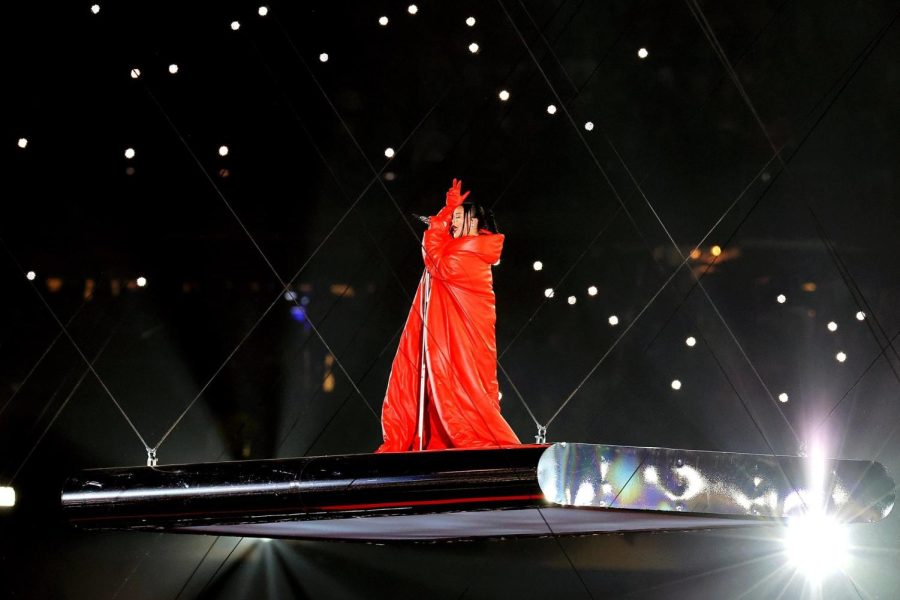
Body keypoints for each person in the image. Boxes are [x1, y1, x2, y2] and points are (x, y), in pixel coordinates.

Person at [376, 179, 521, 452]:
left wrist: (438, 223)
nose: (452, 223)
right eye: (451, 217)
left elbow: (436, 259)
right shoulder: (470, 250)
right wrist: (444, 218)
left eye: (457, 217)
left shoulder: (468, 253)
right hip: (460, 335)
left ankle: (469, 441)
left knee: (462, 387)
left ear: (474, 220)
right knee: (441, 386)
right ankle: (440, 441)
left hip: (466, 338)